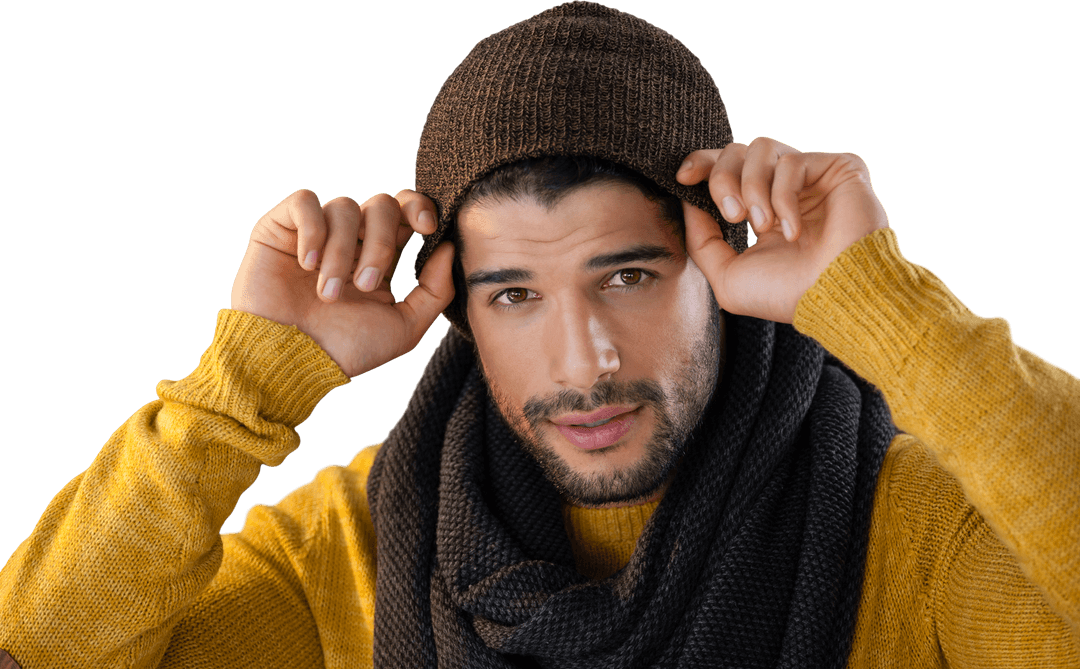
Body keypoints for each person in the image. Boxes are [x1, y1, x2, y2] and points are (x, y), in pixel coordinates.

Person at [1, 2, 1076, 667]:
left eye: (628, 276)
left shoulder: (913, 531)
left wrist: (881, 307)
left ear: (721, 266)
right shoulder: (354, 553)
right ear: (458, 309)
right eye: (514, 294)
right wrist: (244, 385)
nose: (584, 362)